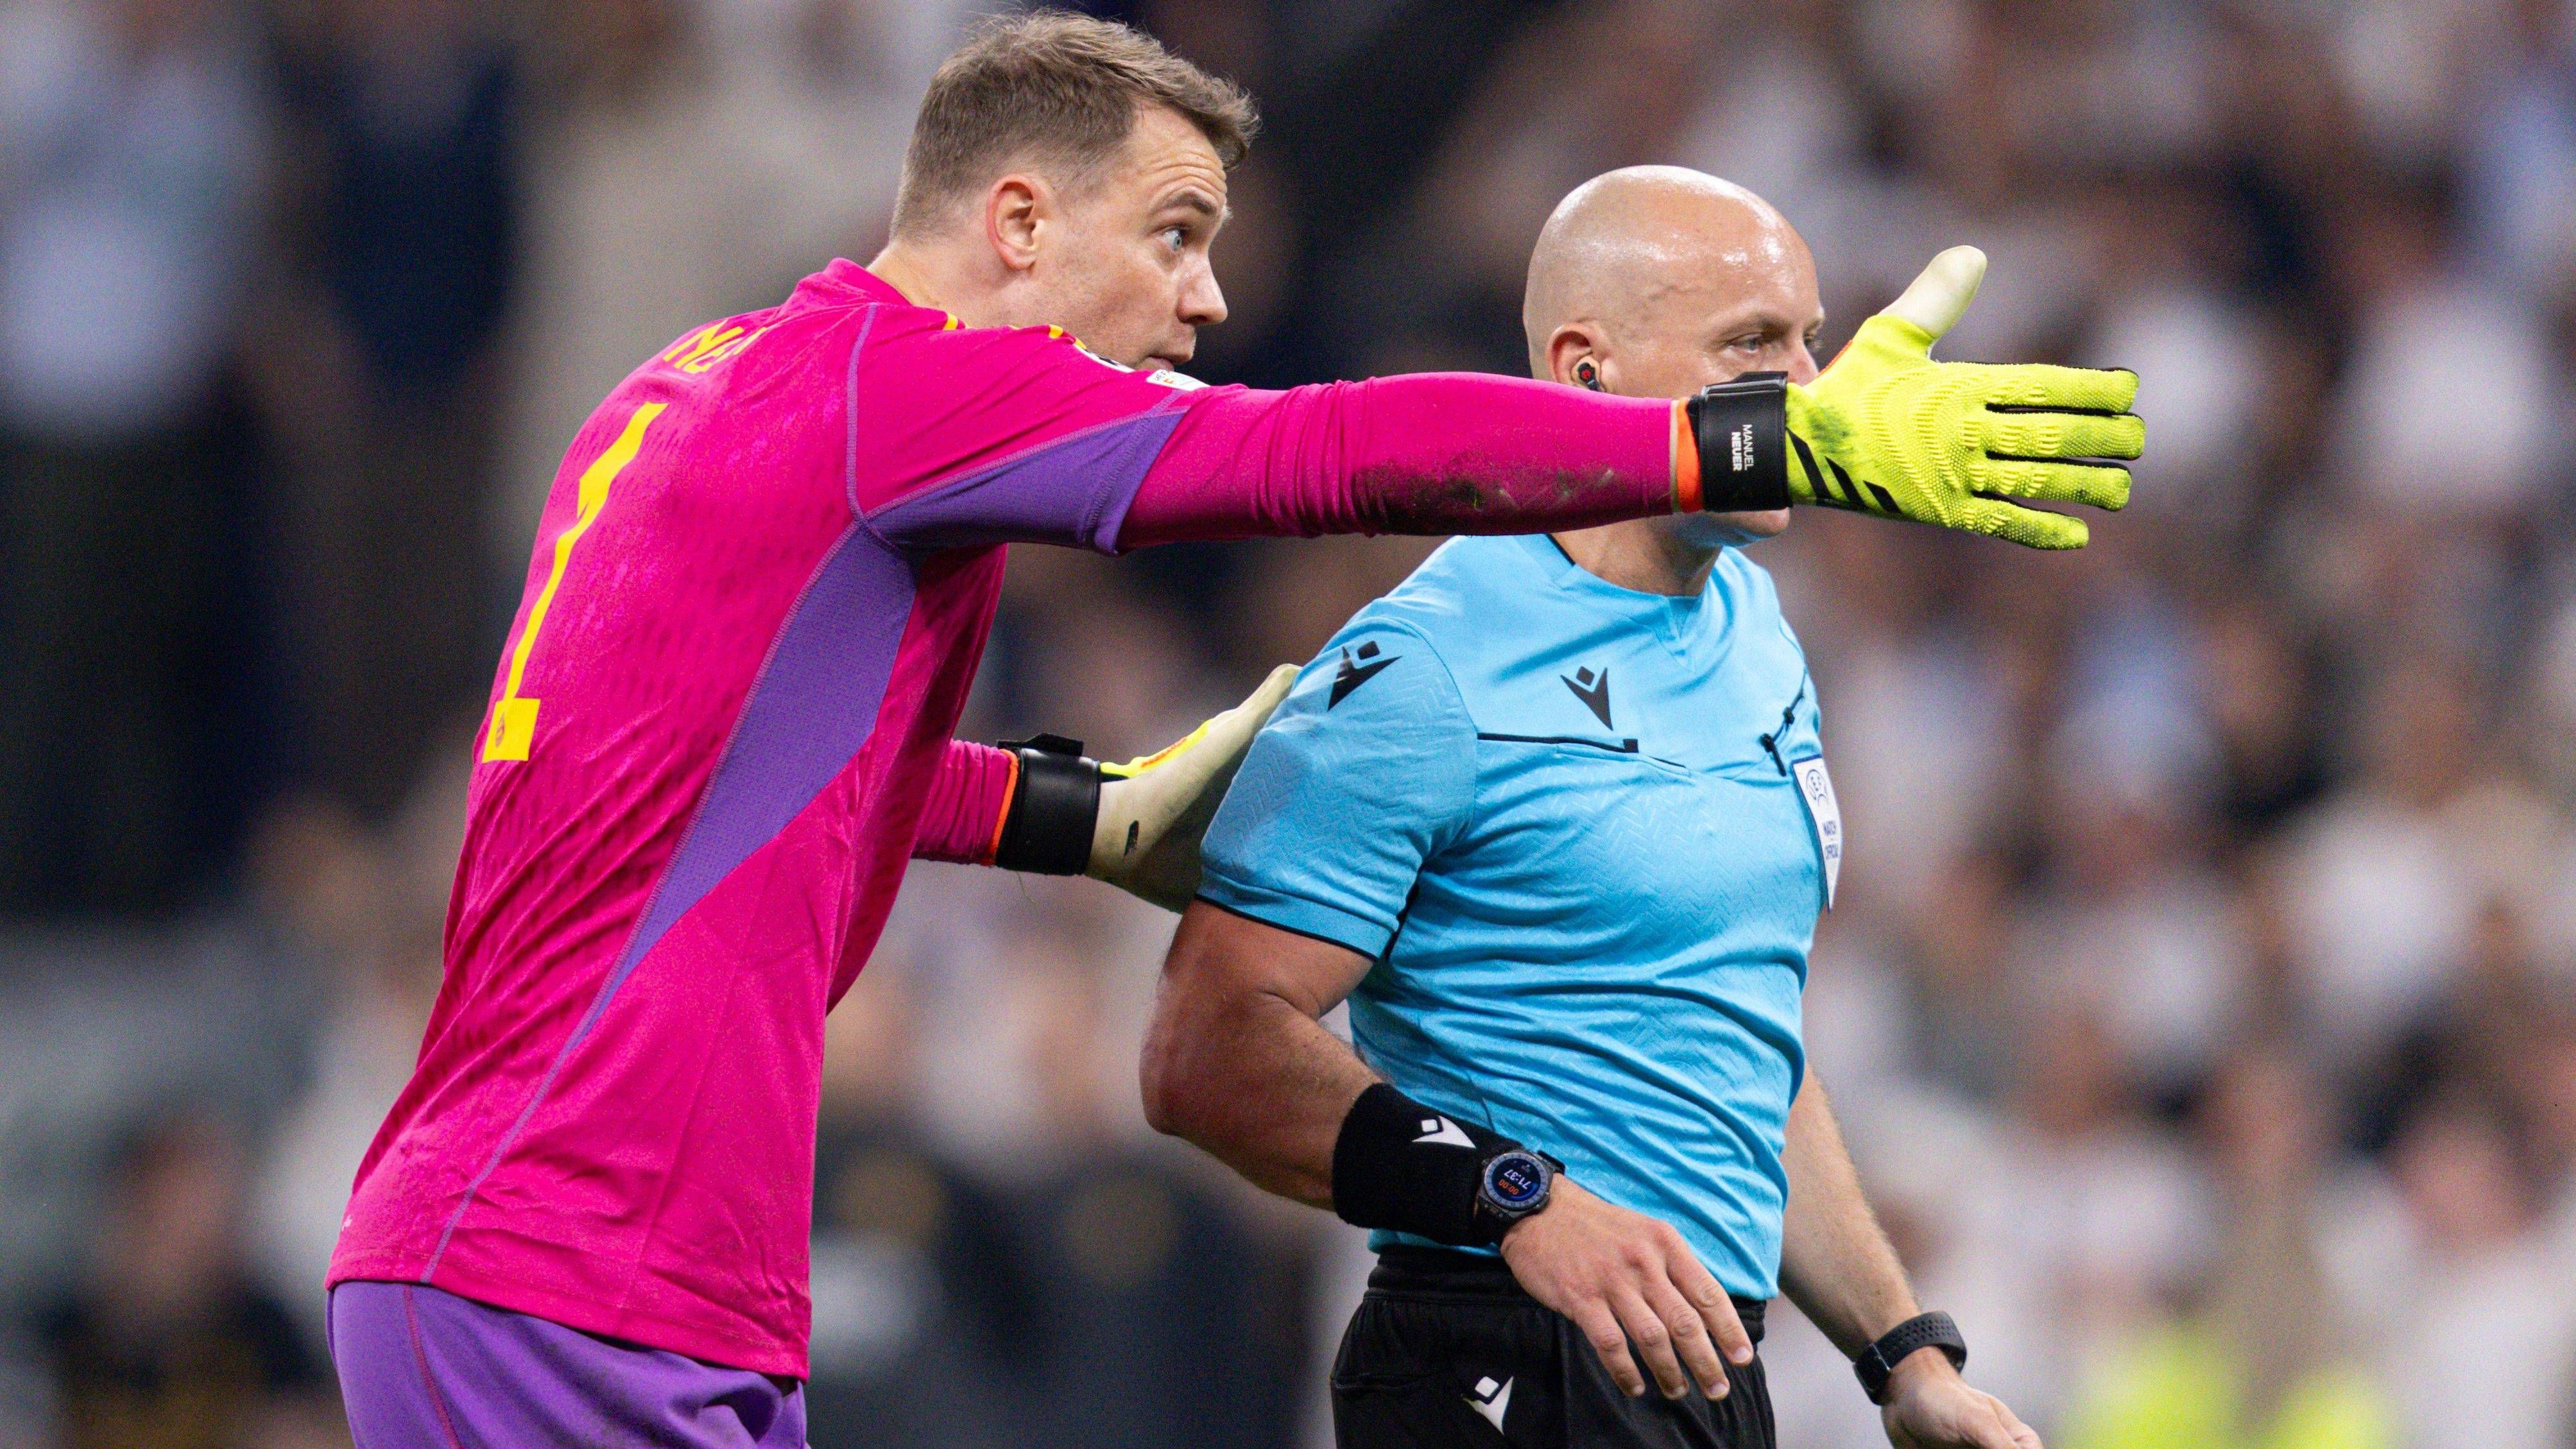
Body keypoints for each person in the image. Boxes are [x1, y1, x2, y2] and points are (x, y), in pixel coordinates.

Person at [327, 14, 2140, 1446]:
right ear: (1015, 220)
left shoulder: (704, 390)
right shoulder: (904, 391)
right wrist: (1747, 443)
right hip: (562, 1254)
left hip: (597, 1257)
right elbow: (1310, 456)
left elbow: (718, 779)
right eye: (1174, 236)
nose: (1205, 299)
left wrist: (1076, 814)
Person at [1141, 168, 2075, 1449]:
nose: (1812, 387)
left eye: (1809, 336)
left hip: (1700, 1363)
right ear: (1588, 373)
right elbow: (1205, 1047)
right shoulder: (1429, 663)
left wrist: (1904, 1352)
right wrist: (1518, 1199)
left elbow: (1735, 1041)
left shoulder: (1755, 629)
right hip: (1499, 1350)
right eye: (1755, 343)